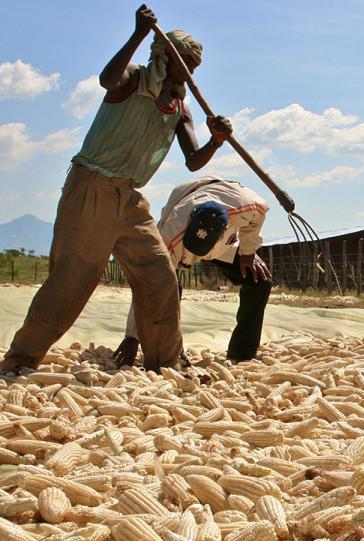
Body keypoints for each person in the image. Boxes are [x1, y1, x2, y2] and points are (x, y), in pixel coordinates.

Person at [0, 5, 232, 374]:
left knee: (158, 274)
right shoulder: (132, 79)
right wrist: (139, 32)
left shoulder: (179, 109)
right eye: (184, 62)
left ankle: (166, 361)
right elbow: (106, 79)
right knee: (75, 276)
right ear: (163, 57)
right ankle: (20, 359)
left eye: (194, 66)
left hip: (131, 197)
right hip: (92, 185)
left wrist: (216, 141)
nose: (189, 72)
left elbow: (193, 160)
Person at [114, 177, 272, 365]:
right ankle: (171, 347)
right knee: (168, 288)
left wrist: (248, 251)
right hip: (182, 231)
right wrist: (132, 336)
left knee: (259, 280)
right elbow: (149, 285)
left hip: (225, 240)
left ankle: (242, 353)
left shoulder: (246, 206)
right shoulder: (169, 236)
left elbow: (259, 215)